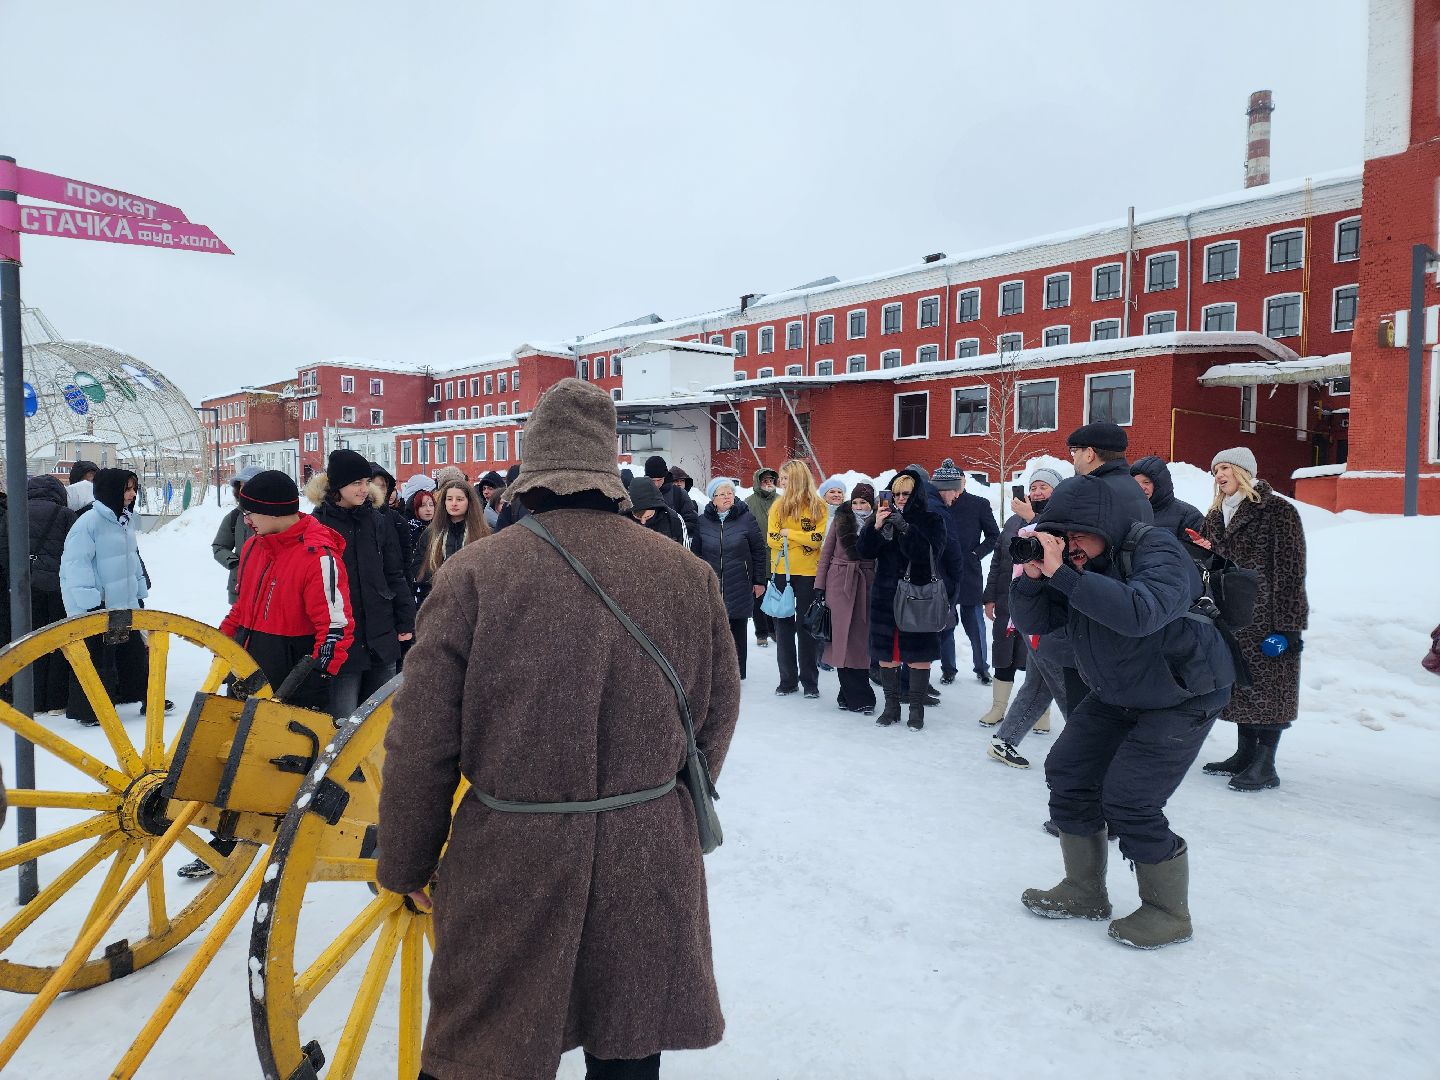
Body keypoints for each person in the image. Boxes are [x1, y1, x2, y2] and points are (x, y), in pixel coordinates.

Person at [377, 378, 740, 1080]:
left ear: (531, 470)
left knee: (488, 1054)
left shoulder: (474, 575)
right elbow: (716, 714)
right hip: (649, 852)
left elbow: (421, 741)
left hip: (512, 852)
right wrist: (656, 799)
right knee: (628, 1045)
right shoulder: (686, 575)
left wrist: (407, 863)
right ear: (609, 470)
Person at [1011, 474, 1236, 949]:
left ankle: (1168, 912)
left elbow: (1141, 613)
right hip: (1119, 689)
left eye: (1078, 534)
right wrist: (1033, 578)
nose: (1069, 544)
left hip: (1182, 693)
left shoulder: (1158, 549)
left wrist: (1064, 574)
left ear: (1105, 526)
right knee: (1069, 772)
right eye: (1060, 535)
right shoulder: (1077, 564)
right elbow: (1036, 622)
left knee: (1130, 799)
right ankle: (1084, 889)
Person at [178, 471, 355, 881]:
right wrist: (223, 642)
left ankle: (294, 840)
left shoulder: (318, 555)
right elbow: (242, 606)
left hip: (295, 665)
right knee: (231, 753)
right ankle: (224, 838)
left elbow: (335, 627)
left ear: (275, 512)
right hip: (251, 658)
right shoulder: (255, 546)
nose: (246, 519)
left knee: (284, 762)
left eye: (251, 512)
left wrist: (316, 674)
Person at [1195, 448, 1308, 792]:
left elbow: (1291, 570)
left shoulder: (1278, 511)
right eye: (1215, 470)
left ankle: (1265, 764)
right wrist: (1203, 550)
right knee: (1243, 687)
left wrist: (1289, 627)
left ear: (1244, 472)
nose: (1219, 475)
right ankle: (1245, 753)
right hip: (1231, 615)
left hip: (1268, 617)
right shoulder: (1215, 514)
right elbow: (1213, 565)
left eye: (1225, 468)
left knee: (1270, 690)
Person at [306, 448, 416, 721]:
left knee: (379, 722)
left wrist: (406, 619)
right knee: (342, 723)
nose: (364, 489)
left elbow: (394, 573)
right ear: (338, 485)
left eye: (366, 482)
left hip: (381, 635)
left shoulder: (378, 521)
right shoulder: (317, 524)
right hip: (343, 641)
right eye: (357, 483)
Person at [856, 467, 948, 730]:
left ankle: (916, 710)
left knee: (918, 655)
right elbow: (864, 551)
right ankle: (891, 707)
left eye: (906, 493)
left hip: (918, 595)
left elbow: (928, 555)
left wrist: (906, 529)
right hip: (886, 595)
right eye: (896, 494)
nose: (900, 498)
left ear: (916, 493)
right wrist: (875, 526)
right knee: (888, 653)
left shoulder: (932, 520)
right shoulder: (882, 516)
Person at [59, 469, 152, 725]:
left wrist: (138, 588)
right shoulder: (88, 523)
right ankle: (89, 710)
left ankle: (140, 695)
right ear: (111, 490)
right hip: (98, 603)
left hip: (123, 599)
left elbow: (131, 558)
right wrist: (89, 600)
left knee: (131, 651)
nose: (132, 494)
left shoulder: (124, 520)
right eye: (127, 489)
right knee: (97, 656)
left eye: (134, 488)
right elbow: (76, 564)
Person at [979, 467, 1063, 729]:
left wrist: (1032, 519)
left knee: (1038, 659)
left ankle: (1041, 714)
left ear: (1056, 491)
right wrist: (990, 597)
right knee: (1003, 652)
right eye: (1033, 487)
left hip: (1041, 602)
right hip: (1009, 600)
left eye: (1043, 487)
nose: (1037, 492)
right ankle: (998, 707)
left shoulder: (1060, 518)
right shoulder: (1013, 522)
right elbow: (997, 561)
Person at [931, 458, 1000, 687]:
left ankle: (982, 668)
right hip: (943, 572)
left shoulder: (978, 504)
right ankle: (948, 669)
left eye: (958, 480)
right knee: (946, 624)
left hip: (969, 572)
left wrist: (976, 554)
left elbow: (993, 535)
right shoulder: (937, 504)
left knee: (975, 625)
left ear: (964, 481)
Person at [690, 478, 766, 679]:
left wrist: (759, 581)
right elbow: (695, 555)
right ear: (713, 499)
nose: (726, 497)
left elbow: (759, 551)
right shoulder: (702, 521)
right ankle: (715, 672)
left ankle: (737, 673)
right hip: (711, 584)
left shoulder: (746, 519)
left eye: (729, 493)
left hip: (740, 581)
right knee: (714, 629)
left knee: (738, 627)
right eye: (721, 494)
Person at [767, 460, 828, 699]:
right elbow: (772, 539)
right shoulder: (778, 506)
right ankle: (788, 680)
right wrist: (801, 539)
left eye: (784, 478)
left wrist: (789, 534)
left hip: (809, 573)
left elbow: (817, 539)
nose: (780, 482)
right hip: (783, 572)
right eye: (780, 478)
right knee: (783, 627)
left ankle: (810, 682)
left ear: (796, 479)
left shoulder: (818, 506)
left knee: (806, 628)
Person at [815, 482, 878, 715]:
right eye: (856, 502)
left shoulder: (880, 521)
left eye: (864, 502)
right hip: (839, 583)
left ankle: (847, 695)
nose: (859, 507)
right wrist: (819, 586)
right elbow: (826, 553)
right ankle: (861, 698)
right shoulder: (841, 519)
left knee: (859, 643)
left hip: (866, 584)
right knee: (840, 641)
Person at [26, 474, 78, 712]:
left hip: (26, 587)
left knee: (31, 640)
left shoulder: (15, 513)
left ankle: (34, 700)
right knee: (58, 639)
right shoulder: (65, 514)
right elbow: (74, 552)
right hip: (58, 586)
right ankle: (56, 701)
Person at [411, 478, 490, 609]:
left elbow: (490, 568)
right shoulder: (431, 533)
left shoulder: (483, 533)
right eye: (449, 499)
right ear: (444, 502)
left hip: (473, 602)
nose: (454, 503)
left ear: (469, 502)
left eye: (459, 499)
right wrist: (436, 583)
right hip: (438, 600)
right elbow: (418, 566)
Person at [211, 465, 262, 606]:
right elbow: (219, 546)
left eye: (250, 486)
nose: (244, 490)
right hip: (239, 587)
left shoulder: (275, 517)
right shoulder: (234, 517)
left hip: (269, 586)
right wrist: (235, 564)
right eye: (242, 486)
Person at [745, 467, 780, 648]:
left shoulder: (781, 501)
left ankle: (775, 630)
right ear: (758, 482)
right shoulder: (748, 502)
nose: (768, 483)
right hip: (757, 557)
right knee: (759, 595)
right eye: (764, 480)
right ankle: (761, 632)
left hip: (778, 557)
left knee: (777, 595)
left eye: (771, 480)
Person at [1130, 456, 1205, 540]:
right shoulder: (1126, 511)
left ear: (1161, 484)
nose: (1140, 488)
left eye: (1146, 482)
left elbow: (1199, 546)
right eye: (1135, 483)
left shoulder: (1188, 516)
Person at [645, 455, 699, 537]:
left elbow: (692, 522)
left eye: (659, 480)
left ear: (665, 476)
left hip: (673, 542)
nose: (656, 484)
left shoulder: (679, 494)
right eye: (652, 480)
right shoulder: (640, 493)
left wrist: (670, 530)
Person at [627, 475, 685, 542]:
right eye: (638, 515)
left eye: (648, 515)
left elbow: (684, 547)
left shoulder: (674, 520)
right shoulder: (623, 521)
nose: (643, 521)